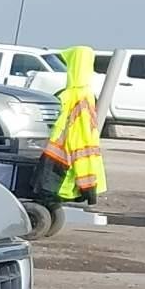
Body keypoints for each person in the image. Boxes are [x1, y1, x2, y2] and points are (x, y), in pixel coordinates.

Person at [43, 44, 105, 203]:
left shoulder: (71, 95)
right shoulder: (88, 94)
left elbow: (78, 139)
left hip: (62, 167)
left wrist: (86, 185)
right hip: (76, 169)